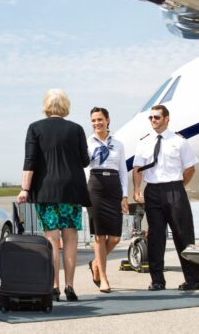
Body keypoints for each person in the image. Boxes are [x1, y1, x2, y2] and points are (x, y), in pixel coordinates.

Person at [17, 89, 90, 302]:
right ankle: (70, 287)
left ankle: (54, 287)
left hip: (46, 191)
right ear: (65, 106)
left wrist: (24, 189)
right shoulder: (76, 129)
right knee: (71, 238)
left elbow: (29, 162)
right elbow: (85, 161)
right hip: (72, 190)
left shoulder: (35, 128)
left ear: (46, 105)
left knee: (51, 239)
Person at [132, 104, 199, 291]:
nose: (153, 121)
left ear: (166, 119)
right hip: (152, 191)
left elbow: (190, 168)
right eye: (151, 118)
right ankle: (157, 281)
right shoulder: (144, 142)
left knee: (183, 235)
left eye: (157, 117)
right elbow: (138, 168)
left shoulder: (179, 142)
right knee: (155, 237)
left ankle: (193, 280)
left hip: (174, 189)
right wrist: (137, 188)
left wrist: (178, 187)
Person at [87, 107, 128, 293]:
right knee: (99, 236)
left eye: (100, 120)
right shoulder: (87, 143)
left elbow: (123, 172)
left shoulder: (118, 144)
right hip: (95, 186)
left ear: (108, 120)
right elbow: (84, 166)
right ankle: (103, 278)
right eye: (94, 120)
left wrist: (124, 195)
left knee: (115, 238)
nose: (97, 123)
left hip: (113, 187)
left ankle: (96, 263)